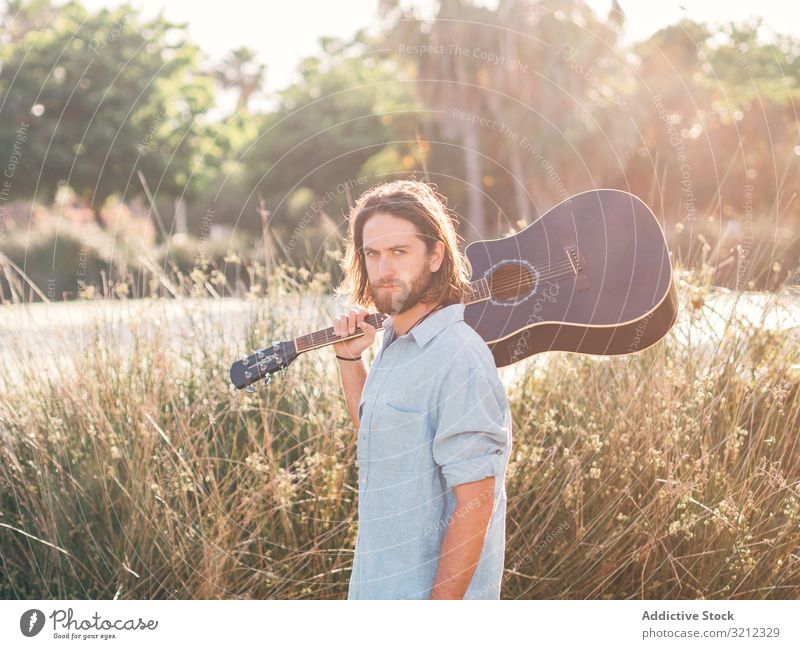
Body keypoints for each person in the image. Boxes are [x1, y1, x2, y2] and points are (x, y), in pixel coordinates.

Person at [332, 179, 512, 600]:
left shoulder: (459, 356)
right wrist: (349, 360)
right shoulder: (395, 343)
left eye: (399, 252)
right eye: (373, 254)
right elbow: (381, 435)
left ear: (435, 255)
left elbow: (476, 500)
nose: (383, 269)